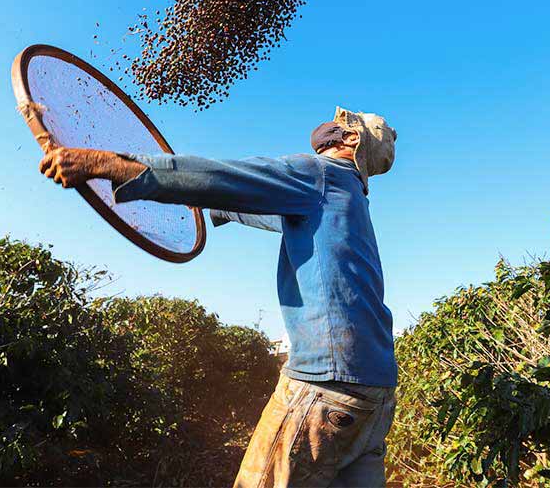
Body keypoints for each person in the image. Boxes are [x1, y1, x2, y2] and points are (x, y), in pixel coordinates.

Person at [37, 107, 398, 488]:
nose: (330, 129)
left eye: (339, 128)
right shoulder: (348, 197)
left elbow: (223, 177)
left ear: (351, 140)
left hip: (328, 387)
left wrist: (107, 164)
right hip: (374, 394)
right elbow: (249, 199)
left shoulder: (320, 174)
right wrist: (207, 202)